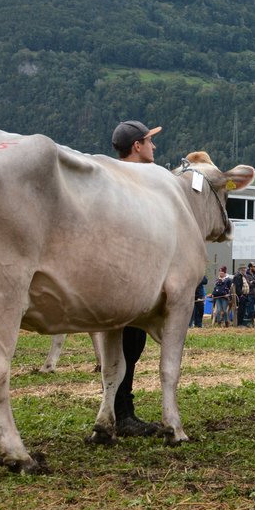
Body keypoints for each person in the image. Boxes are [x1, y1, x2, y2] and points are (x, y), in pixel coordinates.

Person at [109, 119, 162, 437]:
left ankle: (120, 409)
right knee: (128, 344)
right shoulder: (135, 181)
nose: (154, 146)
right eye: (149, 141)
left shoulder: (113, 176)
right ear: (137, 147)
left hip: (124, 274)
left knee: (130, 344)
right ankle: (122, 413)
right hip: (125, 276)